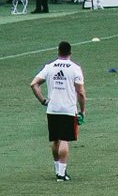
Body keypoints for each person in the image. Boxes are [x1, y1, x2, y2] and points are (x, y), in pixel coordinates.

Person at [30, 40, 86, 182]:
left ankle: (57, 170)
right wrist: (83, 110)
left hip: (52, 109)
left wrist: (43, 100)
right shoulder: (75, 68)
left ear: (58, 51)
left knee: (55, 140)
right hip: (68, 109)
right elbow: (80, 92)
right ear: (70, 53)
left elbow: (34, 84)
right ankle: (61, 174)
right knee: (64, 140)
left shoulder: (50, 67)